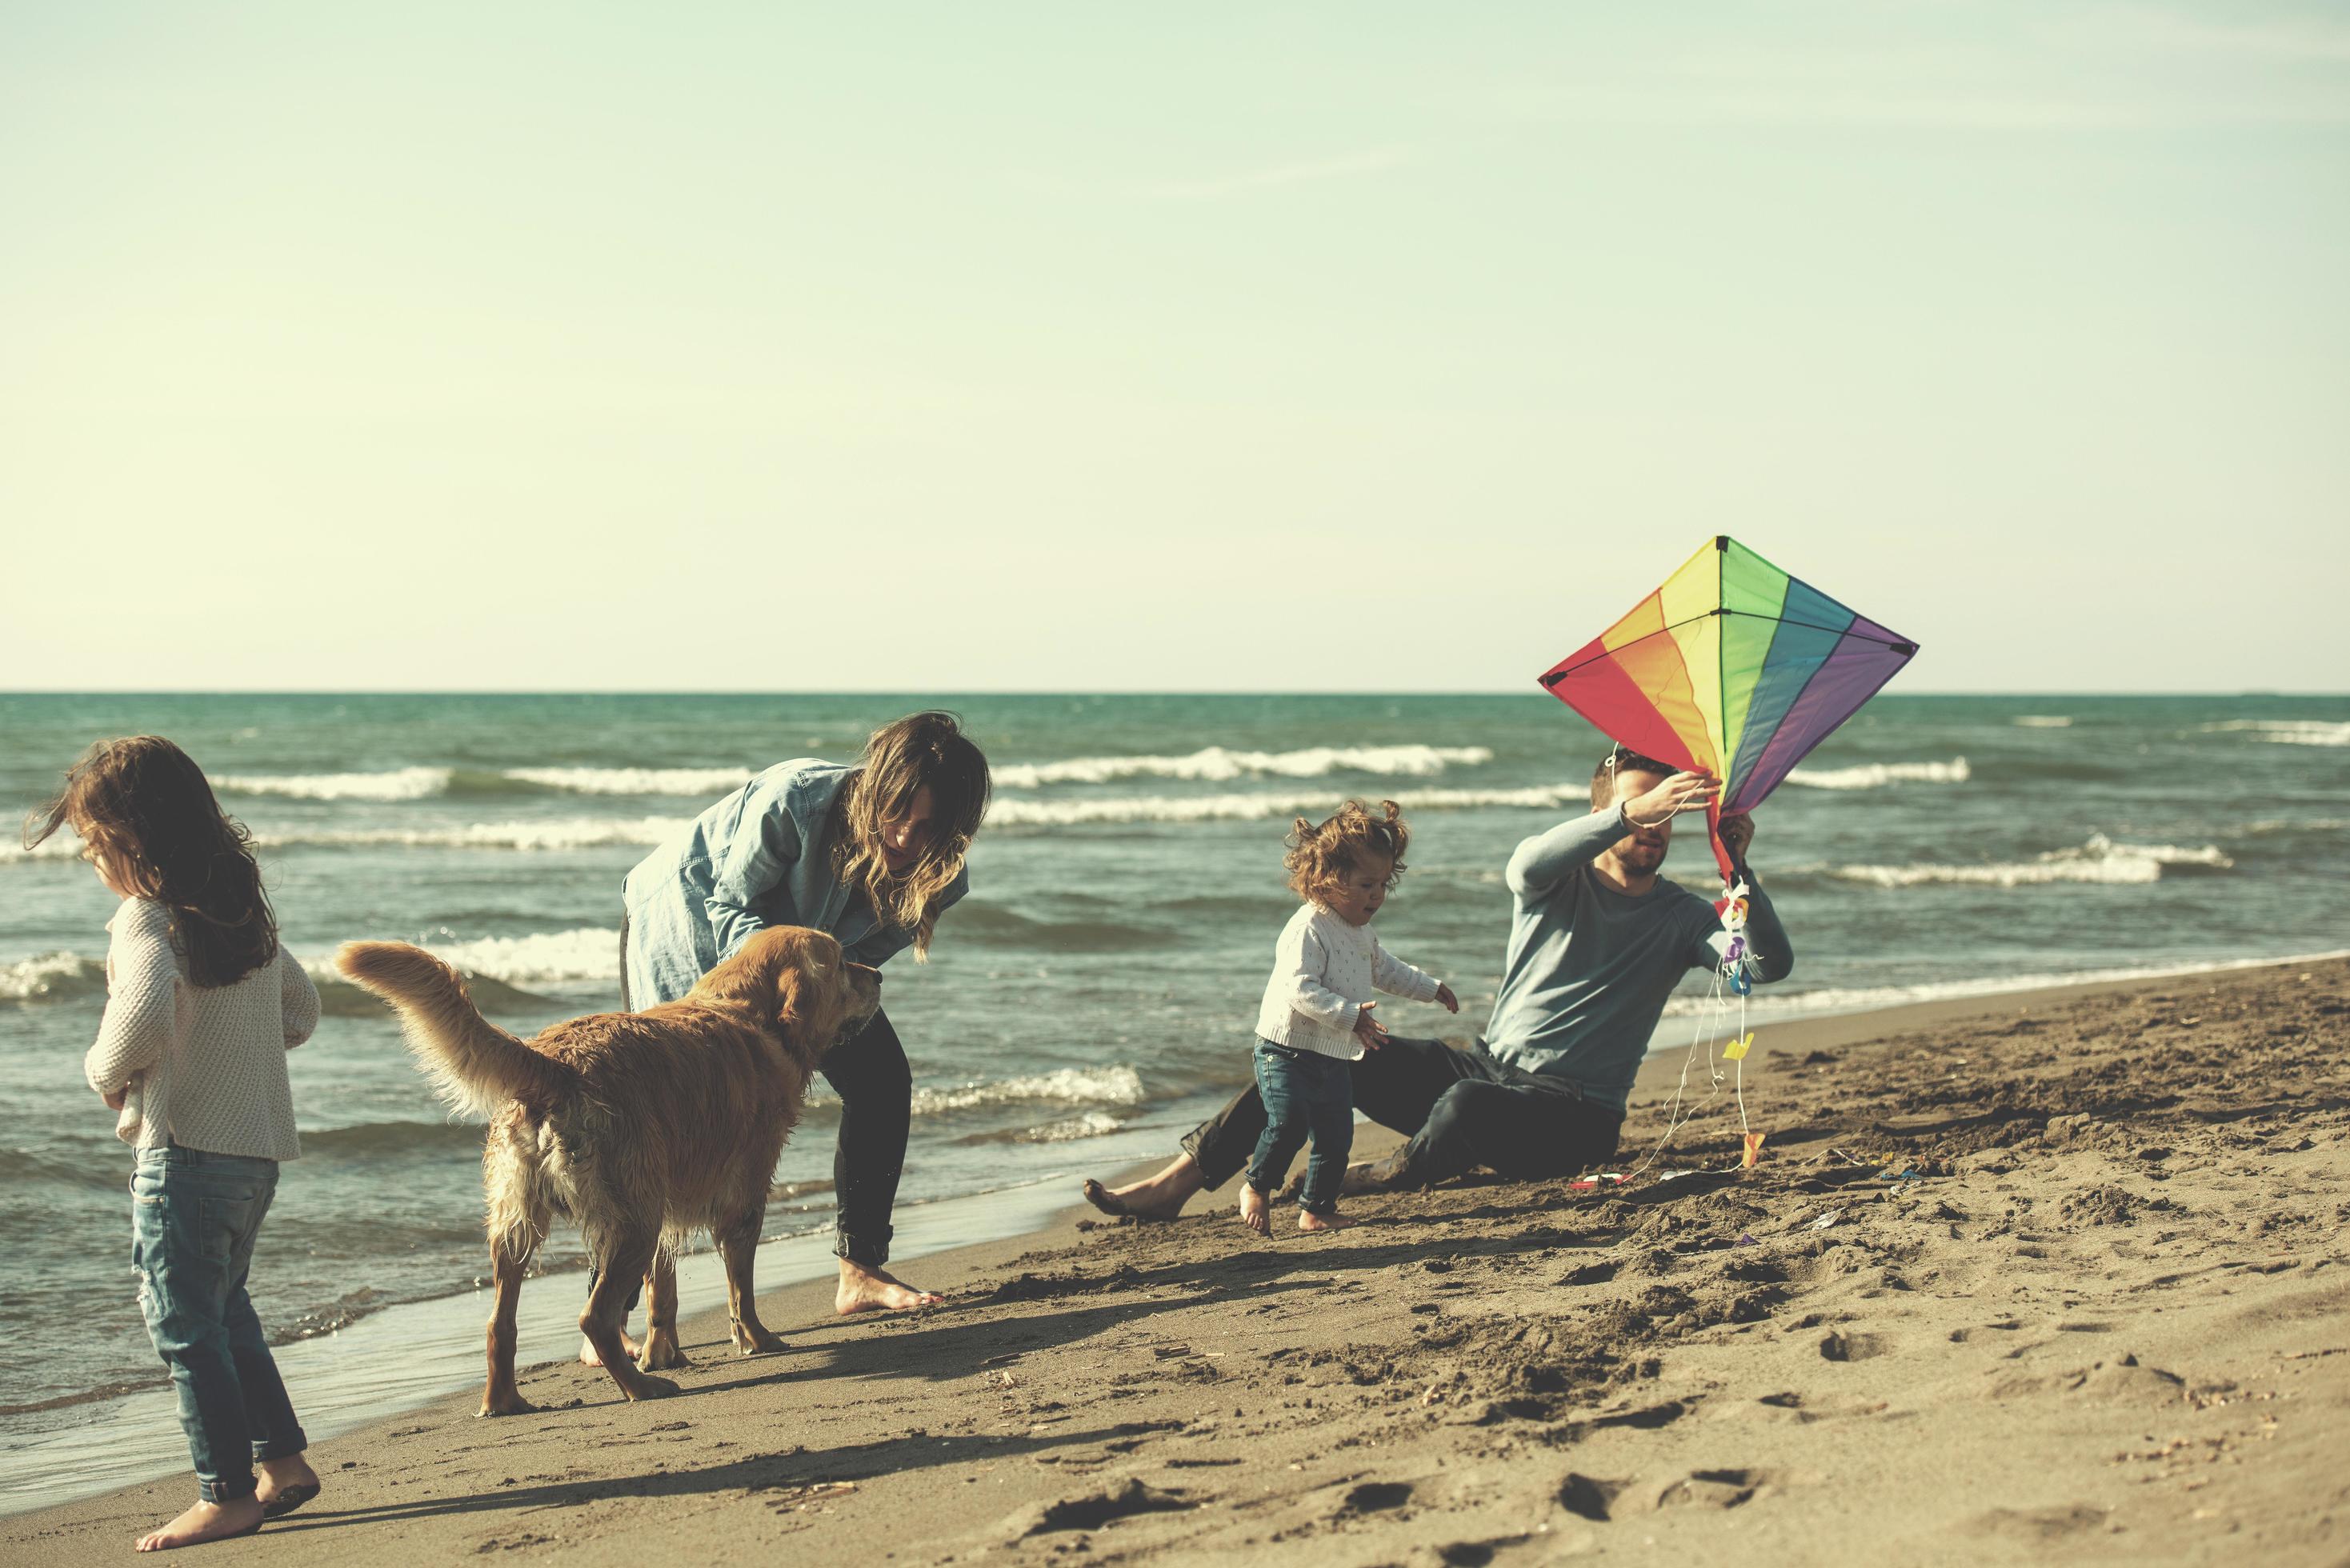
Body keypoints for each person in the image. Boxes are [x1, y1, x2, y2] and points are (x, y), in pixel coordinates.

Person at [1083, 747, 1792, 1218]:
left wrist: (1738, 871)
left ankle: (1391, 1173)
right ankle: (1177, 1182)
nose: (1656, 825)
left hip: (1573, 1116)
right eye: (1642, 811)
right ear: (1605, 817)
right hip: (1487, 1064)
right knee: (1316, 1050)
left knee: (1464, 1107)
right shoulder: (1553, 882)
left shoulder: (1681, 917)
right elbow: (1526, 861)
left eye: (1666, 813)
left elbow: (1762, 968)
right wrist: (1624, 813)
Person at [590, 710, 989, 1366]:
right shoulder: (794, 803)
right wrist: (771, 990)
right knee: (656, 1114)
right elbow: (727, 902)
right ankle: (611, 1319)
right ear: (875, 787)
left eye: (928, 829)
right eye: (897, 816)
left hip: (805, 971)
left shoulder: (940, 876)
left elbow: (867, 952)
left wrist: (810, 999)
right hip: (688, 927)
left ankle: (860, 1271)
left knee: (881, 1080)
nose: (905, 839)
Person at [27, 738, 325, 1552]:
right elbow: (299, 1009)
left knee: (183, 1324)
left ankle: (226, 1494)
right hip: (252, 1158)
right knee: (226, 1313)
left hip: (183, 1152)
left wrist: (103, 1071)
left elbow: (148, 1007)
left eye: (96, 846)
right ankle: (285, 1463)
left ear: (137, 838)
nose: (94, 863)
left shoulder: (145, 917)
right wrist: (235, 1049)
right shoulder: (236, 909)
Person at [1239, 800, 1460, 1235]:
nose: (1376, 895)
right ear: (1325, 881)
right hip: (1284, 1051)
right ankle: (1256, 1186)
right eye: (1364, 884)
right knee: (1288, 1124)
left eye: (1382, 884)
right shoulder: (1308, 928)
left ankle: (1315, 1209)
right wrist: (1349, 1016)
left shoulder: (1361, 933)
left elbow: (1386, 970)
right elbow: (1297, 989)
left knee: (1336, 1136)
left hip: (1332, 1054)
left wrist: (1430, 988)